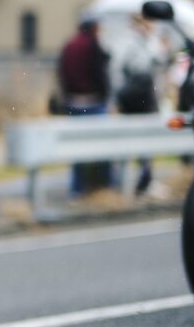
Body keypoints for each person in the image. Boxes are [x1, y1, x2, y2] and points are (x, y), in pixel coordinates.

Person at [108, 13, 169, 195]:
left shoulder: (150, 41)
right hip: (133, 98)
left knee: (147, 142)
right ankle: (128, 182)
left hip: (147, 96)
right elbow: (117, 69)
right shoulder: (126, 41)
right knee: (130, 140)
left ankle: (145, 180)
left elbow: (159, 62)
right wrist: (116, 96)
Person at [56, 14, 112, 195]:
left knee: (77, 149)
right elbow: (99, 73)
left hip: (73, 102)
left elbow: (62, 73)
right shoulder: (92, 45)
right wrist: (106, 95)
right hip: (94, 102)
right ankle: (106, 187)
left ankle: (77, 188)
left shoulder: (69, 45)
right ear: (92, 28)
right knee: (104, 146)